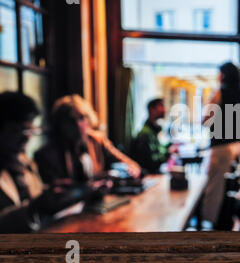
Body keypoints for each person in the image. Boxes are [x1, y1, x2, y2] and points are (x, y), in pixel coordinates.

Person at [0, 92, 91, 233]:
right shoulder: (43, 154)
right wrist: (35, 207)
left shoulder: (24, 162)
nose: (27, 138)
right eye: (17, 131)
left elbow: (34, 198)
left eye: (29, 130)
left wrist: (51, 192)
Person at [35, 95, 141, 186]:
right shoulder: (48, 153)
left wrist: (130, 170)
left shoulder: (97, 140)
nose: (78, 125)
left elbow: (130, 164)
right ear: (60, 124)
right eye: (71, 121)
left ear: (89, 119)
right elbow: (55, 190)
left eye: (81, 118)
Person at [200, 62, 240, 229]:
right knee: (237, 186)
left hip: (222, 147)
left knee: (216, 188)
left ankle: (217, 224)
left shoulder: (219, 93)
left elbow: (206, 121)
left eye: (219, 73)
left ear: (224, 75)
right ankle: (235, 220)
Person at [130, 98, 176, 174]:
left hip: (154, 173)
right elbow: (151, 162)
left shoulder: (153, 131)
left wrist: (170, 145)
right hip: (149, 176)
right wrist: (169, 152)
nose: (165, 109)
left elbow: (158, 149)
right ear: (152, 110)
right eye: (161, 106)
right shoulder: (145, 134)